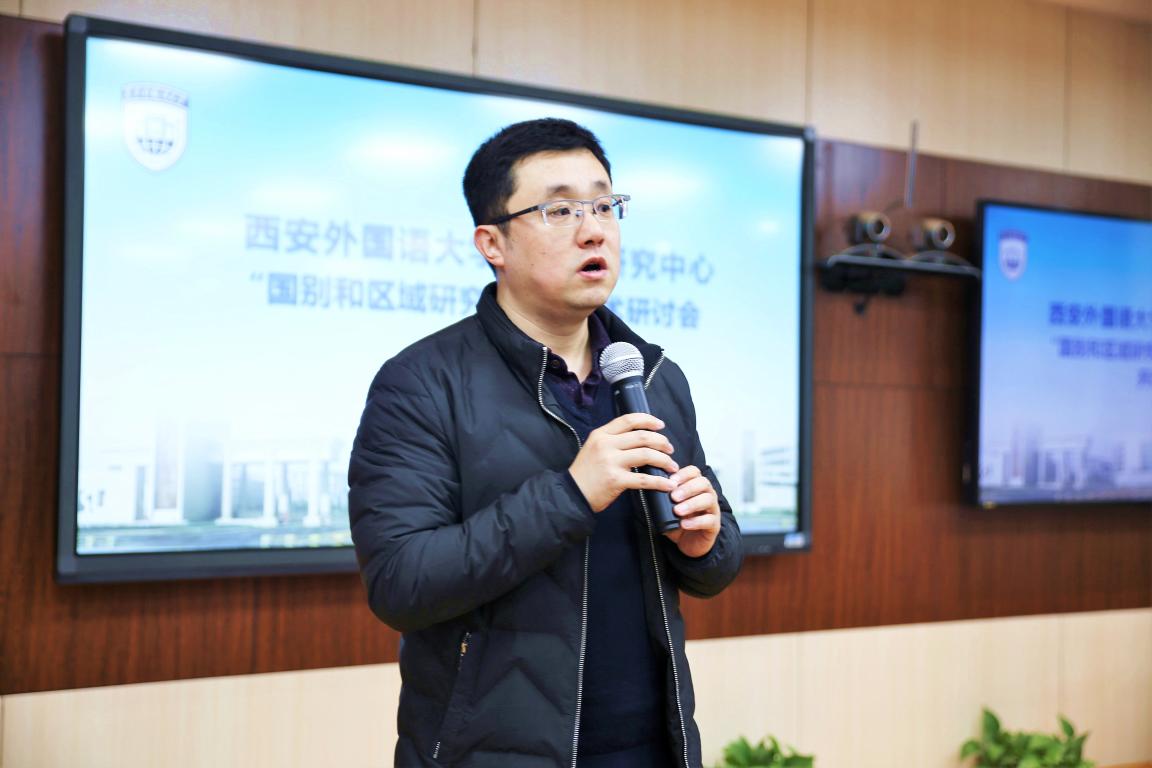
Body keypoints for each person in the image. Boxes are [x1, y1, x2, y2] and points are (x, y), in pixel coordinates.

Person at [348, 117, 743, 768]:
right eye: (560, 210)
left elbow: (713, 562)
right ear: (492, 243)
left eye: (605, 205)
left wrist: (705, 544)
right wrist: (570, 495)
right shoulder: (421, 383)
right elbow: (401, 583)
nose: (594, 230)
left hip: (653, 747)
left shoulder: (651, 376)